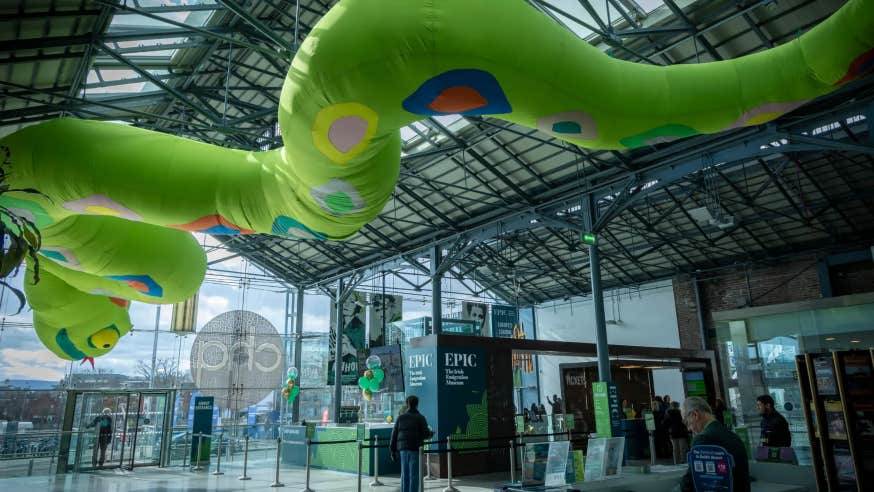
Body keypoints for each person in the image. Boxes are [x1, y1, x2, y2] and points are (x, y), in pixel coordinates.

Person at [680, 397, 750, 492]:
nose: (688, 428)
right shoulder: (734, 436)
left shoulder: (702, 439)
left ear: (695, 415)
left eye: (686, 422)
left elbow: (690, 483)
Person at [390, 395, 432, 492]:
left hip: (403, 450)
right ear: (417, 404)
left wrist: (392, 451)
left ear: (407, 404)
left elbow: (394, 435)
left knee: (404, 474)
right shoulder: (420, 418)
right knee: (414, 475)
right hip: (415, 448)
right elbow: (425, 434)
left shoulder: (400, 418)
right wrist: (430, 434)